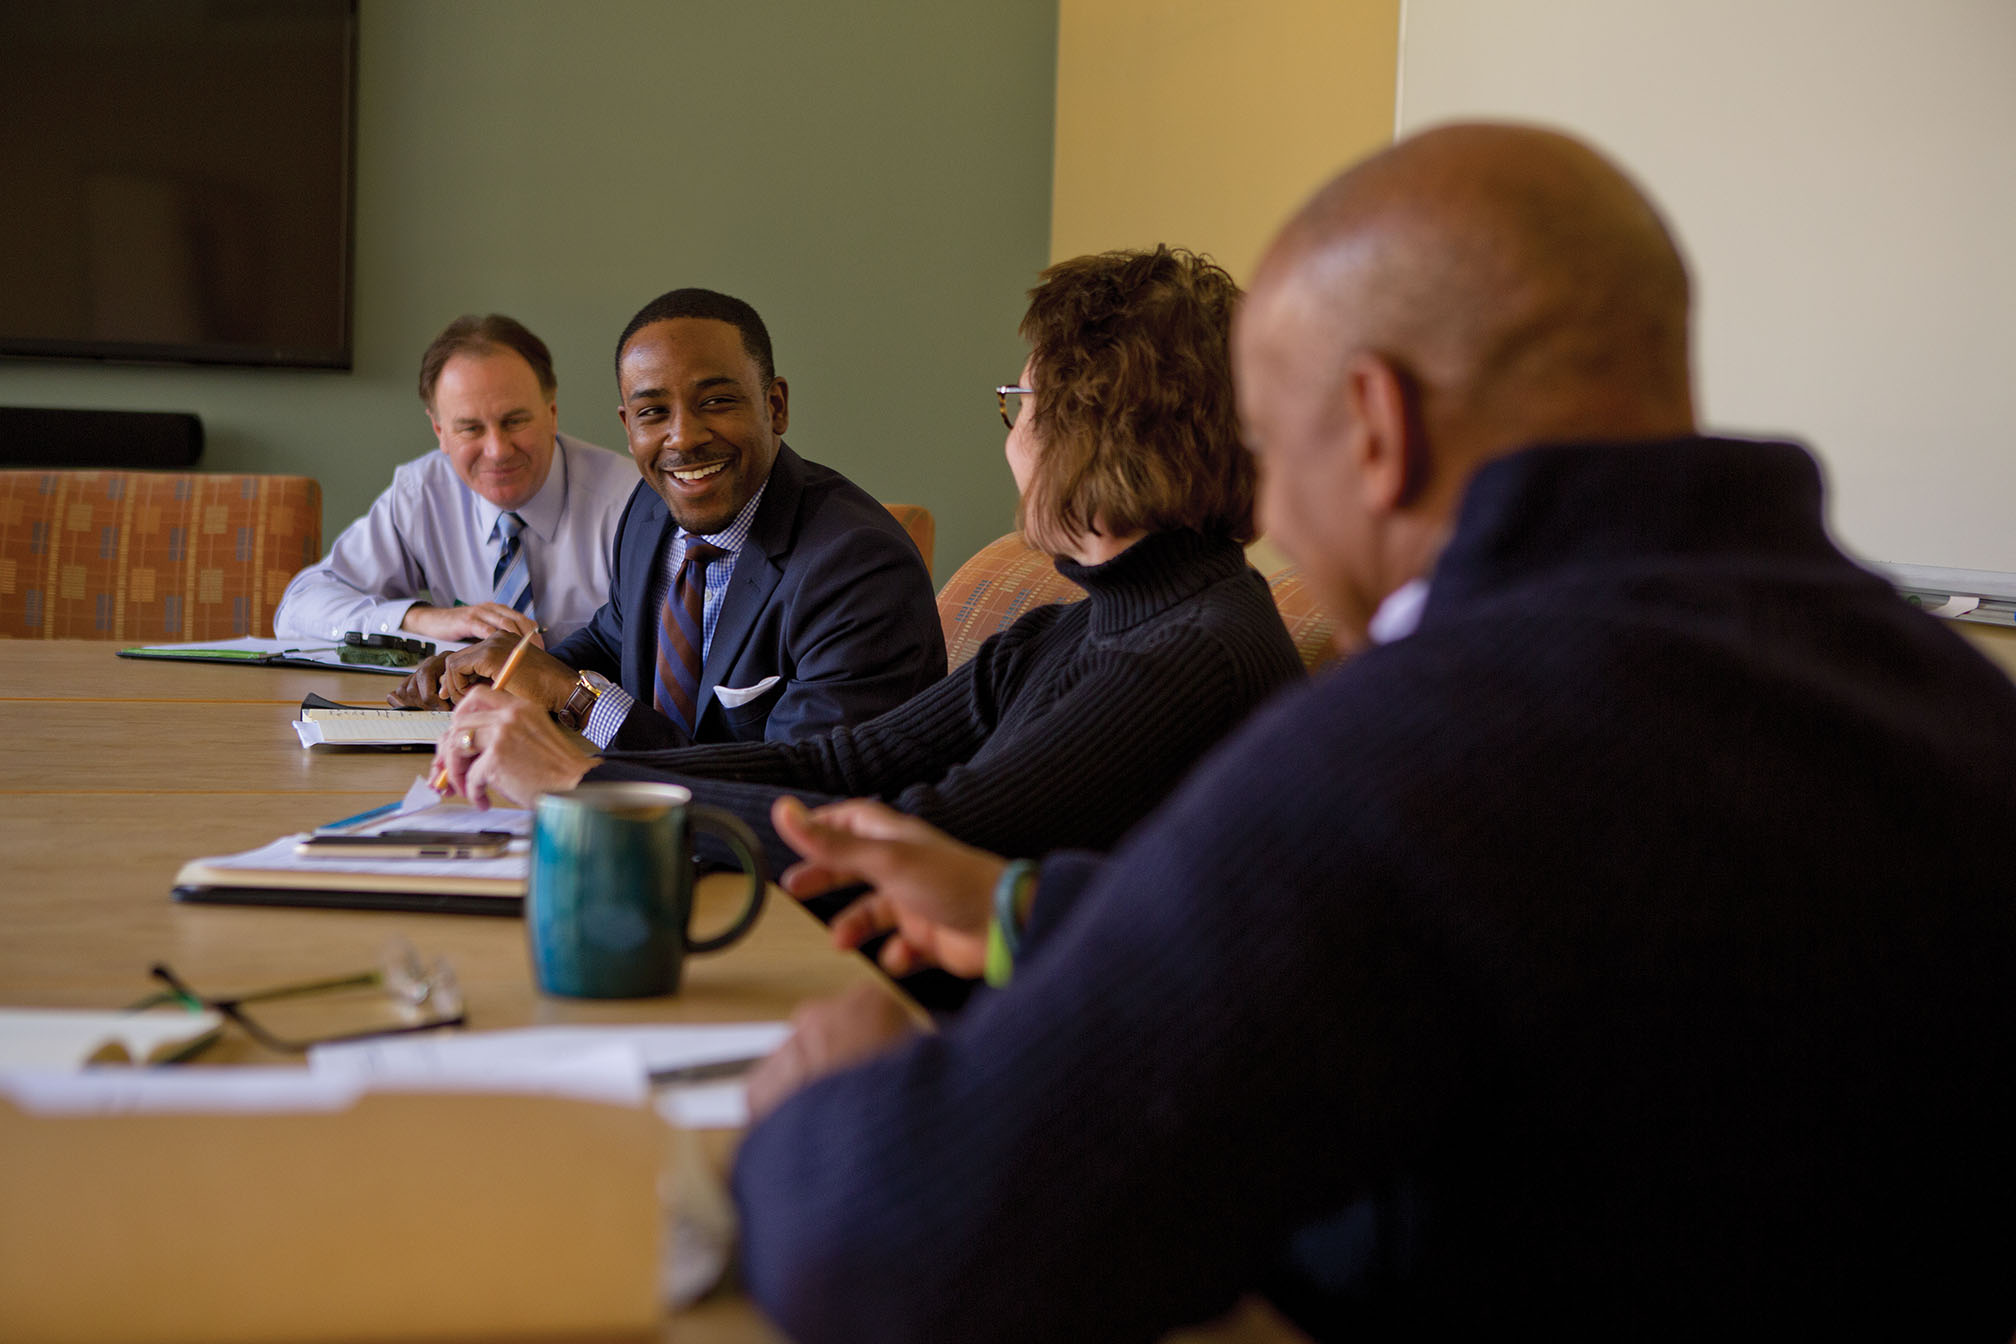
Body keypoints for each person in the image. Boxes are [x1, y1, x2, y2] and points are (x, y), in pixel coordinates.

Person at [725, 124, 2016, 1341]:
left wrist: (834, 1101)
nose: (1273, 506)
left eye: (1281, 455)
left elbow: (898, 1255)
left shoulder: (1411, 752)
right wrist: (1030, 908)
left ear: (1380, 429)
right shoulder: (1951, 706)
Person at [433, 248, 1306, 882]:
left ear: (1104, 429)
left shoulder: (1189, 659)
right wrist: (589, 774)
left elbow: (927, 838)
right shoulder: (1074, 629)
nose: (1011, 442)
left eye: (1023, 403)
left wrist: (583, 780)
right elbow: (841, 765)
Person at [393, 288, 945, 749]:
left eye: (716, 401)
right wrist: (502, 676)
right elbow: (614, 640)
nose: (682, 437)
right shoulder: (652, 509)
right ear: (628, 423)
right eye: (653, 412)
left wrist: (574, 697)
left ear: (775, 406)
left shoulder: (858, 566)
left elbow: (800, 789)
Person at [274, 314, 634, 646]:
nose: (497, 450)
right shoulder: (422, 494)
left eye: (514, 421)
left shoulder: (629, 503)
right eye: (470, 428)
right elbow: (298, 608)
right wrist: (421, 619)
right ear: (440, 431)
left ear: (552, 413)